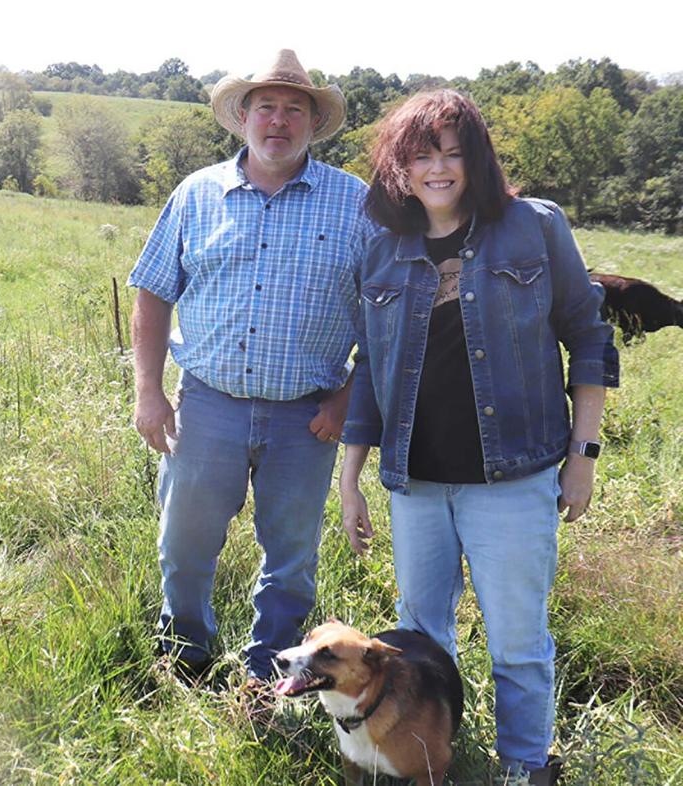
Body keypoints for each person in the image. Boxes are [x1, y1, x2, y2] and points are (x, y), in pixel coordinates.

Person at [339, 90, 619, 785]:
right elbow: (369, 366)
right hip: (417, 483)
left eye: (453, 152)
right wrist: (350, 477)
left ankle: (525, 768)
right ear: (398, 165)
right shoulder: (380, 249)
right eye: (421, 153)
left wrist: (582, 456)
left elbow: (588, 335)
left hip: (514, 478)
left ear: (477, 160)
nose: (438, 168)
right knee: (420, 639)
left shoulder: (533, 228)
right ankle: (435, 759)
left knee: (519, 641)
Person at [128, 49, 377, 686]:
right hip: (206, 404)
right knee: (184, 547)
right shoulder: (196, 194)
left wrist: (348, 399)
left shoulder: (356, 205)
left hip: (308, 416)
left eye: (295, 108)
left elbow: (387, 315)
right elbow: (154, 293)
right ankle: (185, 653)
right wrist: (149, 393)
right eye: (265, 105)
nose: (279, 120)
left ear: (313, 124)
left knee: (291, 557)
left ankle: (272, 675)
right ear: (242, 116)